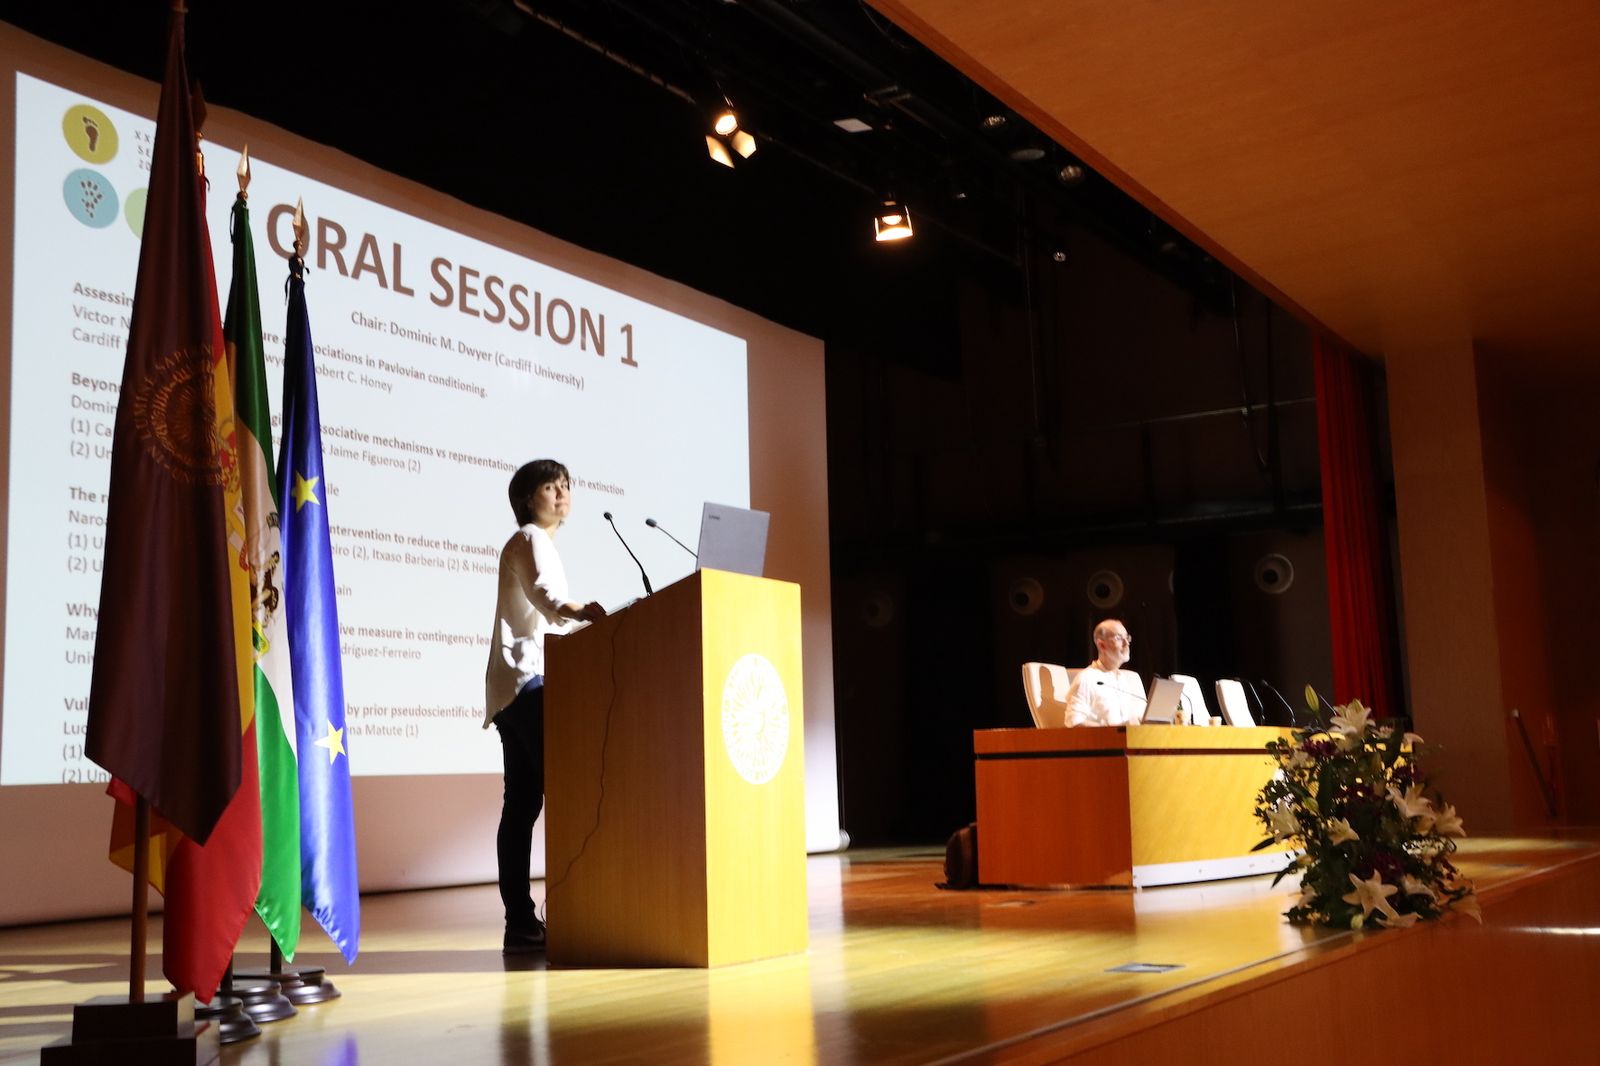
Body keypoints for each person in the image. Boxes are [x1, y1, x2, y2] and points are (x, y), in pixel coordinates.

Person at [484, 459, 606, 954]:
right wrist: (583, 611)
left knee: (522, 806)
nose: (562, 493)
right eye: (550, 486)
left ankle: (521, 923)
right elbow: (548, 598)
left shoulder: (542, 544)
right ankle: (566, 911)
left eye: (566, 486)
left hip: (514, 687)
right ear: (525, 499)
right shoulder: (530, 538)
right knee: (557, 792)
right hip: (526, 684)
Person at [1061, 618, 1145, 727]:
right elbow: (1073, 722)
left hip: (1132, 741)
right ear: (1102, 645)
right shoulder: (1087, 678)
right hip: (1104, 743)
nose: (1126, 644)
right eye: (1119, 638)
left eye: (1127, 638)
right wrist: (1114, 730)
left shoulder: (1124, 679)